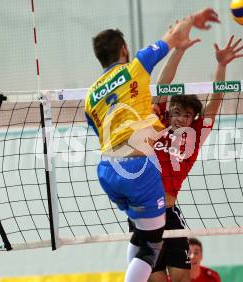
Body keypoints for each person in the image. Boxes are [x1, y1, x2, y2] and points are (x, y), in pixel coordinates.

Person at [84, 8, 220, 282]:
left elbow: (99, 130)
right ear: (124, 49)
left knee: (142, 236)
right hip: (138, 170)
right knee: (150, 246)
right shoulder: (134, 70)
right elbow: (170, 38)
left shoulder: (90, 96)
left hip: (107, 171)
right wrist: (191, 21)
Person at [128, 35, 243, 282]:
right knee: (155, 280)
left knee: (183, 277)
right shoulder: (156, 124)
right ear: (169, 113)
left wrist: (221, 65)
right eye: (177, 113)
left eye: (187, 115)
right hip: (145, 213)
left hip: (170, 213)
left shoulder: (194, 138)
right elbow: (163, 84)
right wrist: (178, 50)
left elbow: (215, 101)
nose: (181, 119)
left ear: (193, 120)